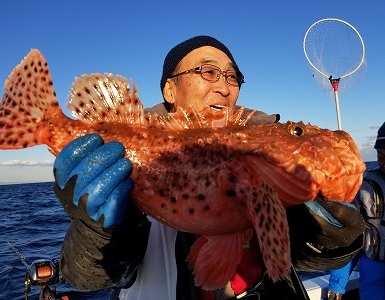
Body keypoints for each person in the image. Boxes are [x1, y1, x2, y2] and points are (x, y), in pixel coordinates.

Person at [53, 35, 365, 300]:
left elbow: (307, 259)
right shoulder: (117, 156)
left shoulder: (269, 162)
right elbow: (85, 278)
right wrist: (97, 231)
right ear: (169, 90)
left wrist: (334, 236)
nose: (225, 87)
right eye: (208, 72)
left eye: (232, 77)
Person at [328, 122, 385, 300]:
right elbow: (350, 240)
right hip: (373, 283)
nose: (383, 163)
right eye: (380, 156)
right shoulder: (365, 188)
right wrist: (337, 284)